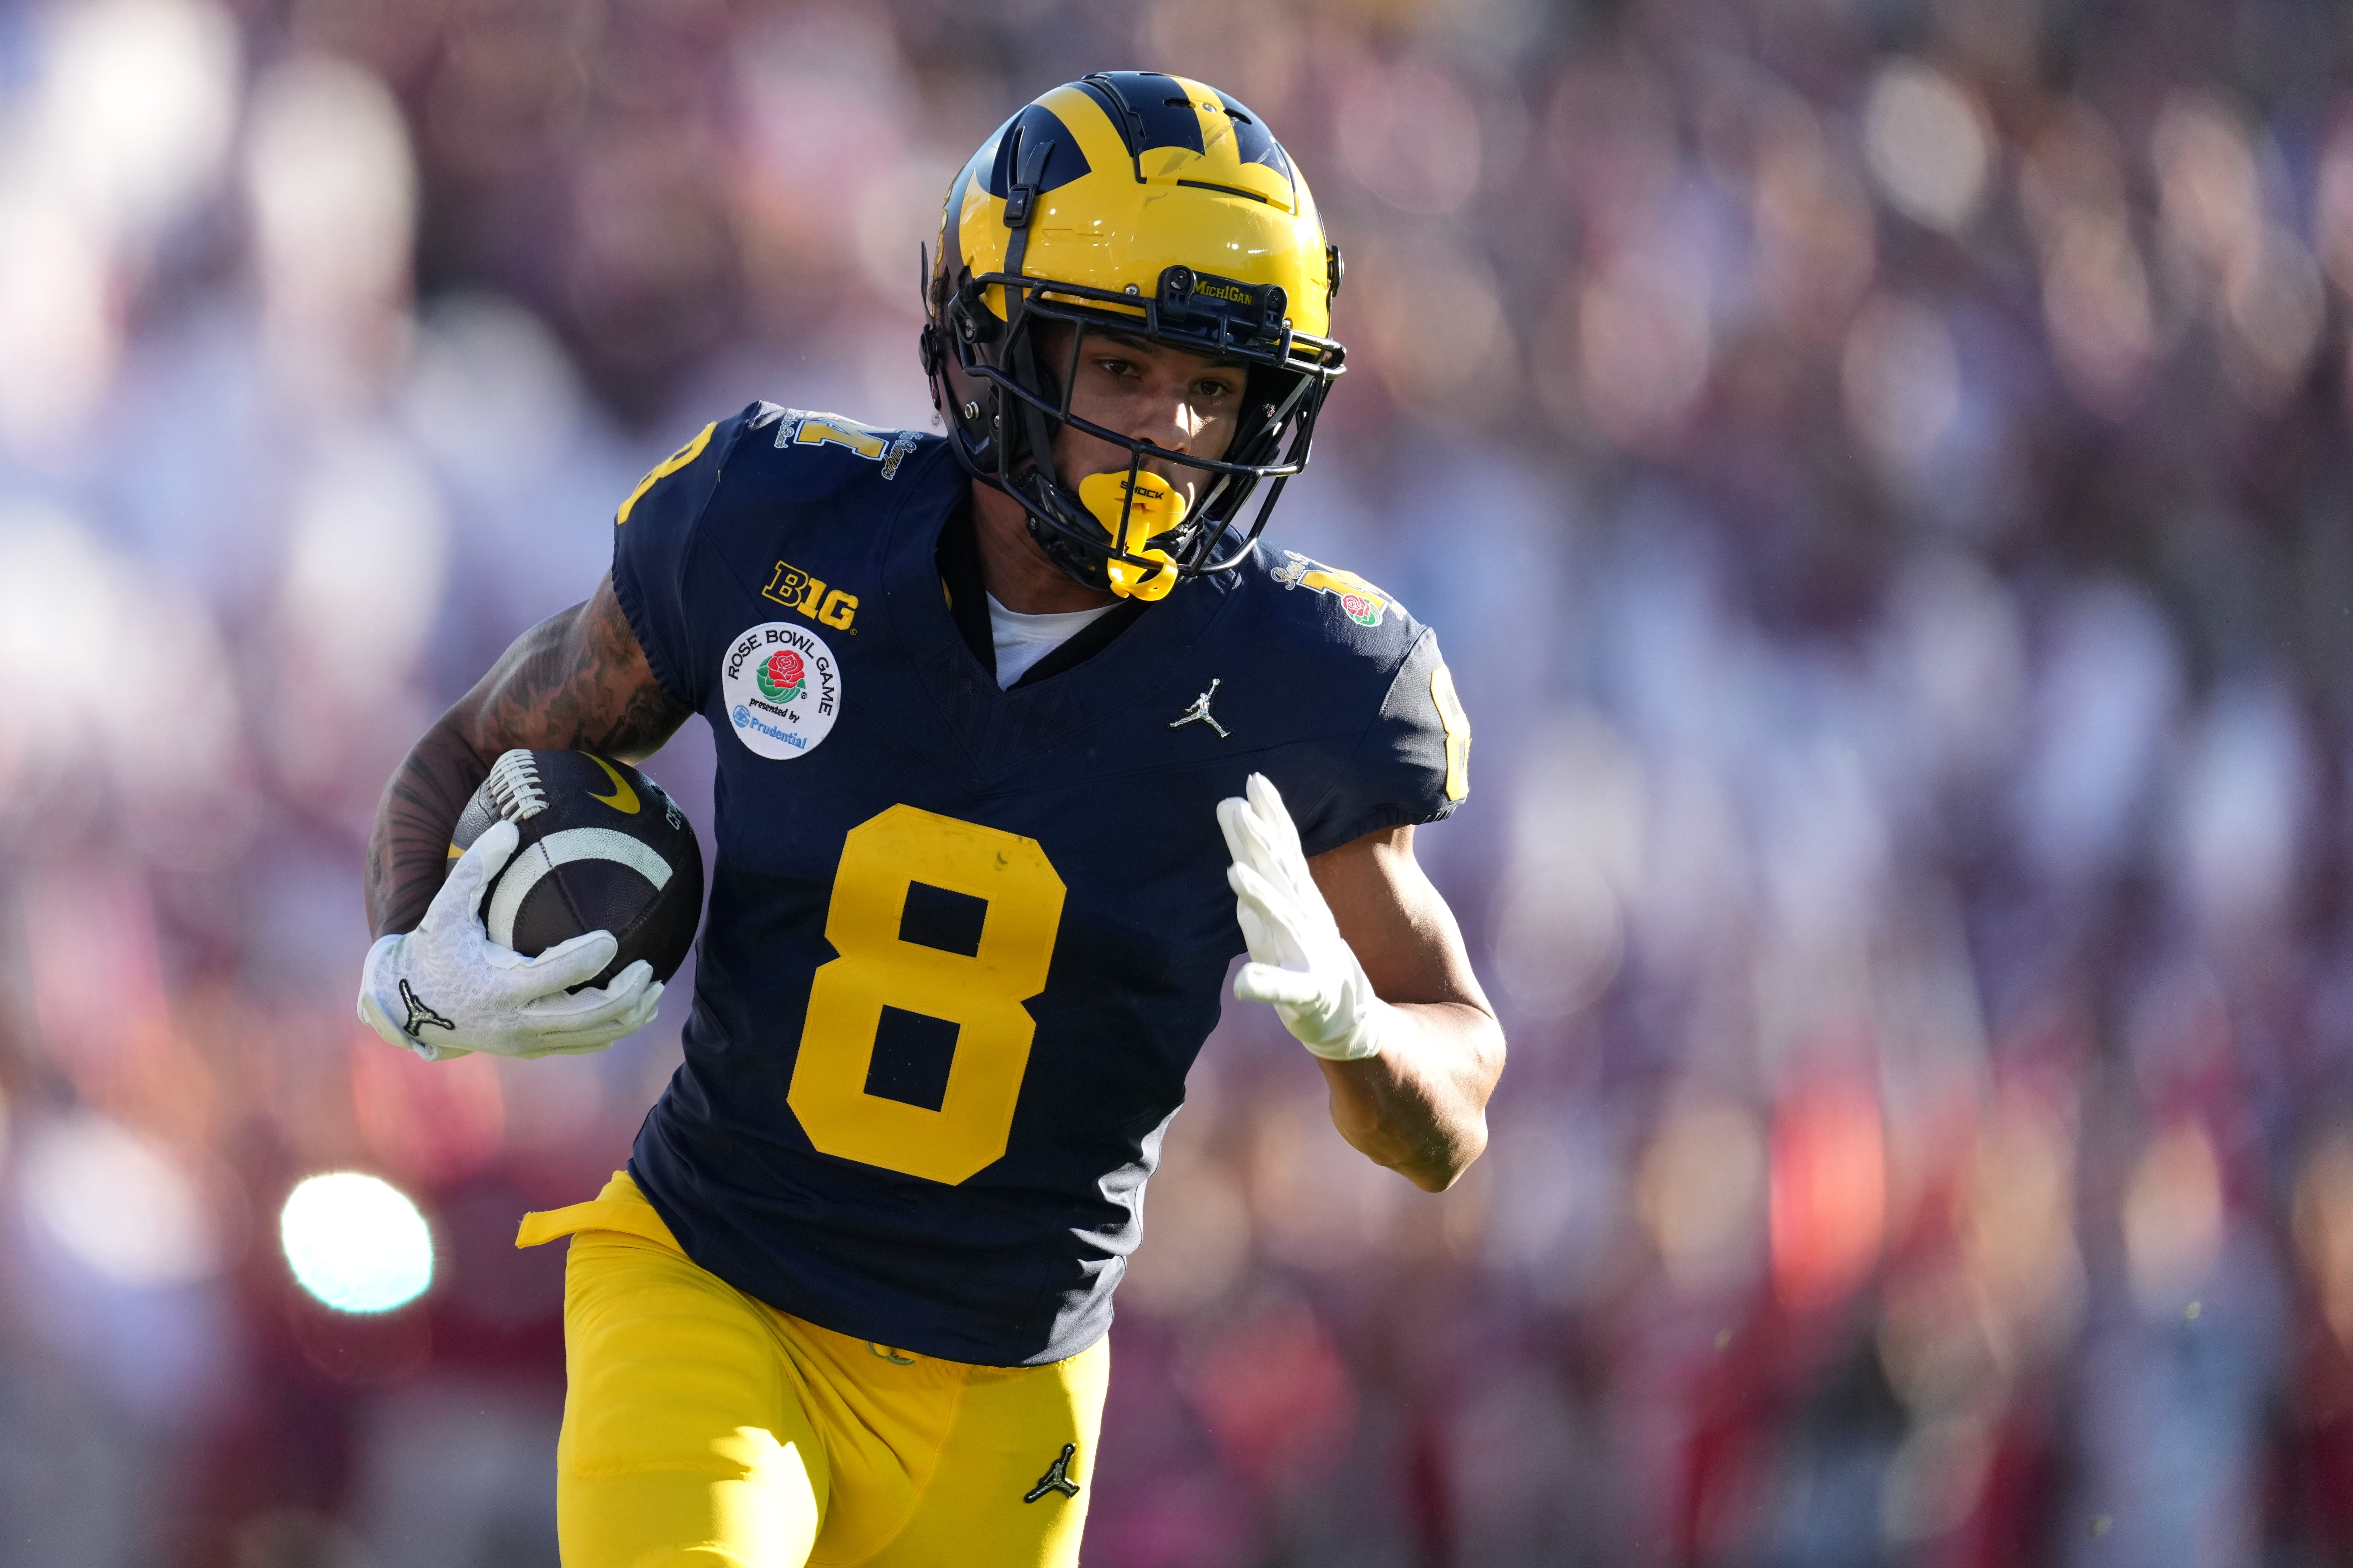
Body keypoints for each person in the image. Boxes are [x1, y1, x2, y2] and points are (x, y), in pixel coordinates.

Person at [355, 71, 1503, 1568]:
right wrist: (405, 960)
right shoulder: (775, 528)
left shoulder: (1311, 680)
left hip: (1010, 1396)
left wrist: (1361, 1038)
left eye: (1216, 389)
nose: (1172, 428)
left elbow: (1453, 1098)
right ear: (988, 346)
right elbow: (485, 737)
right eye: (1121, 367)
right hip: (714, 1289)